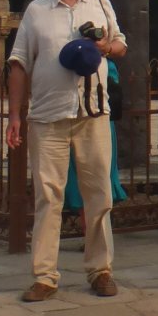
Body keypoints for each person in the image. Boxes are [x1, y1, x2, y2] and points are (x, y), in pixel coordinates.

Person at [6, 0, 127, 302]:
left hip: (92, 112)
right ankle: (45, 275)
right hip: (48, 113)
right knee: (48, 196)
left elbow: (121, 46)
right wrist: (15, 114)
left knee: (99, 195)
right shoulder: (37, 11)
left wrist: (105, 46)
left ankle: (101, 269)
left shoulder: (100, 3)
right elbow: (18, 63)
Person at [63, 57, 128, 232]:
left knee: (96, 176)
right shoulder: (105, 65)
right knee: (85, 177)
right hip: (82, 121)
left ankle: (95, 231)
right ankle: (91, 231)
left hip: (98, 122)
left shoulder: (106, 65)